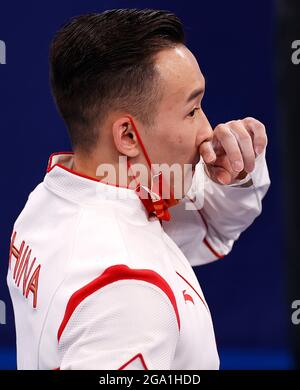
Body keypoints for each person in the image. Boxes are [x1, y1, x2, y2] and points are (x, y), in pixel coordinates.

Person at [7, 9, 270, 370]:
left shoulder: (53, 197)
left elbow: (209, 227)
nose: (208, 130)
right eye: (192, 110)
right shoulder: (128, 291)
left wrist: (238, 174)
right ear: (128, 136)